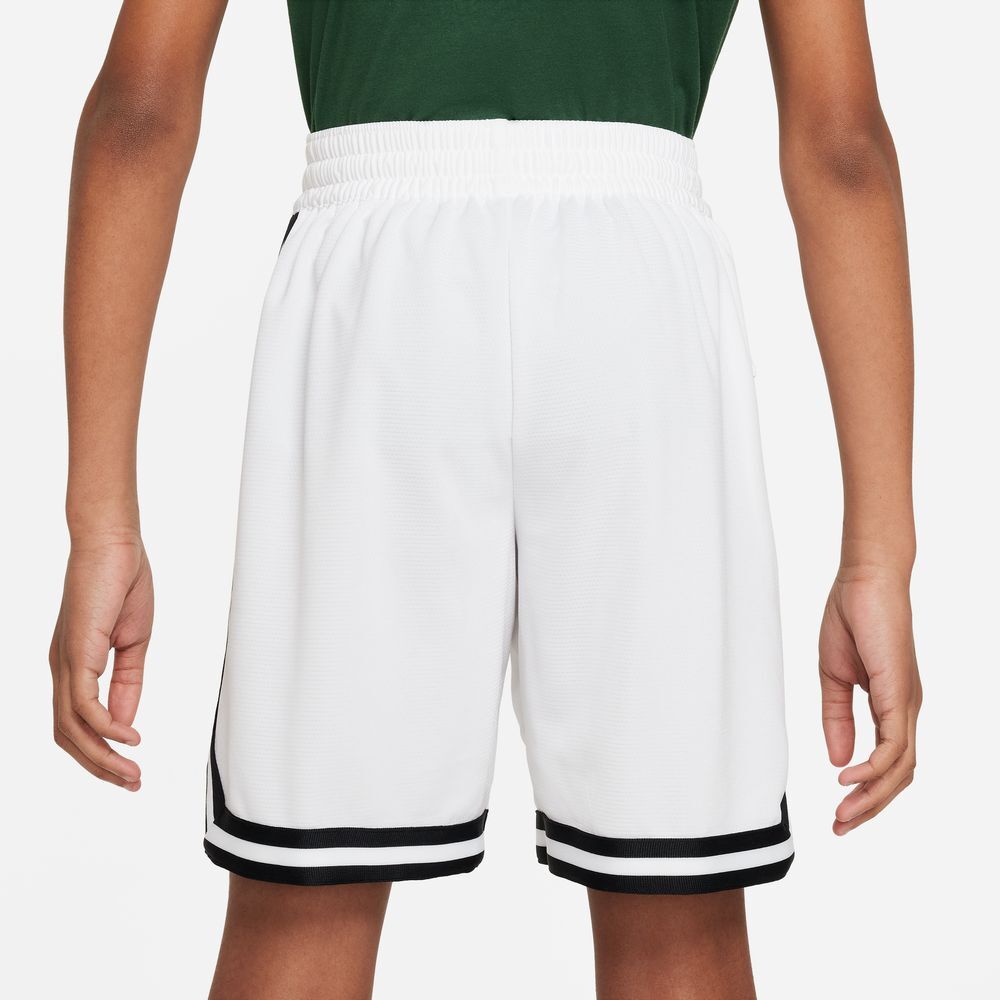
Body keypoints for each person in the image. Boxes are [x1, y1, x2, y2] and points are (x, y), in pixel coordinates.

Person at [48, 2, 922, 997]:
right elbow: (842, 142)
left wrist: (100, 525)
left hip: (376, 293)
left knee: (305, 905)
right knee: (679, 923)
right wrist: (878, 555)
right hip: (637, 299)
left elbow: (140, 109)